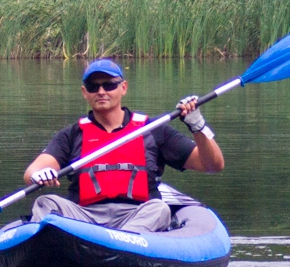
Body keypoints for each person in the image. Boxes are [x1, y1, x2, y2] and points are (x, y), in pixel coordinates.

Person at [22, 58, 224, 235]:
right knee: (45, 203)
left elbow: (213, 164)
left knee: (159, 208)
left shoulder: (153, 129)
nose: (101, 91)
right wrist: (38, 175)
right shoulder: (72, 134)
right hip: (83, 218)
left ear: (123, 87)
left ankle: (121, 244)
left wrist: (197, 126)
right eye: (93, 87)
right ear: (85, 93)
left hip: (137, 215)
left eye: (109, 85)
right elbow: (33, 170)